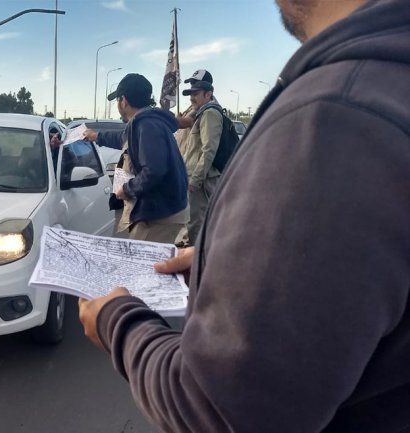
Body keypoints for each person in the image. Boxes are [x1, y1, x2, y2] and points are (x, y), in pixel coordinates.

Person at [78, 0, 410, 431]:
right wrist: (228, 260)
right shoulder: (382, 82)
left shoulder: (335, 115)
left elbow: (219, 410)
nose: (193, 98)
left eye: (196, 93)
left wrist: (117, 320)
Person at [84, 73, 188, 243]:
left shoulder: (146, 125)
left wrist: (127, 189)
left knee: (140, 262)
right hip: (162, 208)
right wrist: (96, 136)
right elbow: (123, 140)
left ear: (123, 101)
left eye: (118, 100)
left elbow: (154, 170)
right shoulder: (145, 121)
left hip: (162, 213)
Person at [180, 74, 224, 247]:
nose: (192, 98)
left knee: (197, 223)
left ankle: (195, 263)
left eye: (196, 93)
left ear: (208, 94)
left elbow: (208, 150)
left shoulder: (210, 113)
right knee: (195, 221)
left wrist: (195, 180)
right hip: (196, 178)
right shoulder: (201, 112)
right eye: (190, 93)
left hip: (201, 180)